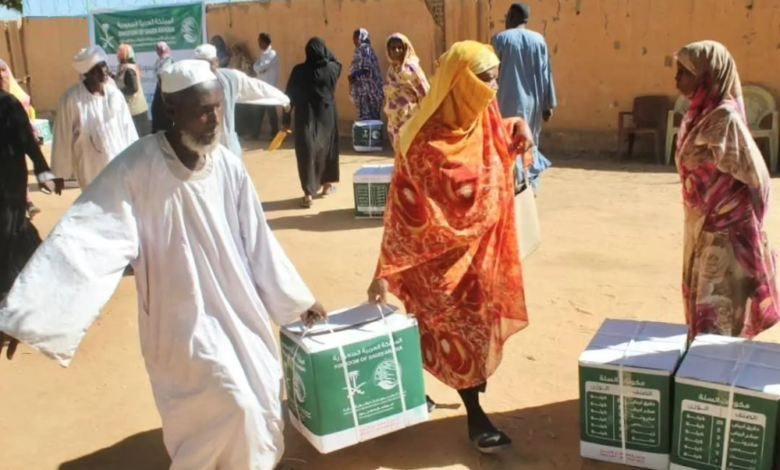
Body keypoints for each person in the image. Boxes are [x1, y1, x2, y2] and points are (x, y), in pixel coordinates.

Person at [0, 59, 328, 470]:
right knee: (232, 404)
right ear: (172, 109)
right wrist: (29, 312)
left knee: (261, 393)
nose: (213, 120)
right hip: (182, 322)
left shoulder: (227, 166)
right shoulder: (137, 169)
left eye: (218, 108)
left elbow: (259, 243)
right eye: (202, 111)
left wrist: (298, 301)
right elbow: (86, 238)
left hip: (240, 313)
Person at [365, 41, 532, 453]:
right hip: (435, 263)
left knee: (472, 332)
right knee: (451, 333)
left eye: (496, 78)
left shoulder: (483, 116)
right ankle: (476, 419)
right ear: (460, 83)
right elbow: (402, 212)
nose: (494, 88)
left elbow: (498, 132)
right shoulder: (419, 142)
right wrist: (385, 269)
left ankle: (439, 397)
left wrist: (518, 125)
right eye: (486, 79)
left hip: (480, 257)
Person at [673, 40, 780, 340]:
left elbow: (757, 177)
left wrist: (747, 225)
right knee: (703, 317)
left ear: (708, 74)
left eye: (685, 71)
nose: (677, 78)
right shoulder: (696, 116)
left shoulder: (724, 119)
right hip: (700, 227)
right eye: (677, 69)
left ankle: (714, 384)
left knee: (716, 321)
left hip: (726, 233)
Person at [0, 88, 64, 305]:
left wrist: (44, 171)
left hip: (9, 183)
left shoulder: (8, 103)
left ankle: (11, 299)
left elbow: (27, 141)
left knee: (9, 232)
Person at [51, 47, 138, 191]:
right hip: (90, 169)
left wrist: (136, 162)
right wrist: (60, 175)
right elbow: (62, 137)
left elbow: (128, 130)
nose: (102, 71)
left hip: (119, 165)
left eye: (103, 65)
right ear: (86, 73)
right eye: (96, 69)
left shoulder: (115, 95)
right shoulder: (71, 99)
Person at [492, 2, 556, 192]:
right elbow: (546, 74)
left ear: (511, 17)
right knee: (529, 143)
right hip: (533, 105)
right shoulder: (539, 40)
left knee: (506, 145)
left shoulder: (499, 40)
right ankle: (529, 187)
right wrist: (547, 104)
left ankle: (511, 188)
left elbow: (489, 72)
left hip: (505, 102)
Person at [194, 43, 290, 158]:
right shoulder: (188, 84)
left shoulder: (230, 78)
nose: (205, 69)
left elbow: (256, 87)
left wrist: (282, 98)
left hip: (227, 147)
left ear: (216, 61)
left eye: (208, 64)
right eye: (200, 65)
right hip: (202, 149)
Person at [282, 37, 342, 208]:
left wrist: (285, 122)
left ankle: (308, 193)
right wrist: (326, 53)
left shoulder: (298, 71)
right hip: (327, 117)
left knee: (306, 154)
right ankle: (327, 186)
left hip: (304, 118)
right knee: (327, 150)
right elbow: (336, 61)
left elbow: (288, 97)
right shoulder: (331, 69)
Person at [0, 59, 43, 218]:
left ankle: (27, 203)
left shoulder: (18, 99)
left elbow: (25, 124)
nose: (1, 75)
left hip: (13, 156)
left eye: (3, 70)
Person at [383, 33, 430, 150]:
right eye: (393, 48)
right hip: (395, 116)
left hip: (411, 115)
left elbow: (425, 91)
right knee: (399, 146)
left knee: (411, 146)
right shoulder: (391, 69)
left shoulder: (411, 68)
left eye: (400, 47)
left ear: (406, 49)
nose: (396, 51)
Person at [348, 28, 384, 121]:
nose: (354, 40)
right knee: (370, 119)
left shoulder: (364, 49)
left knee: (368, 119)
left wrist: (354, 75)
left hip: (368, 92)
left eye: (355, 37)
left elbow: (366, 69)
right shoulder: (364, 49)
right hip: (366, 91)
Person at [116, 43, 151, 137]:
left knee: (137, 138)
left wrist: (117, 91)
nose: (117, 55)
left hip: (135, 110)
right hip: (132, 108)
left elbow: (133, 88)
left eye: (120, 52)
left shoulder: (129, 69)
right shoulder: (124, 67)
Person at [253, 32, 280, 140]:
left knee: (271, 110)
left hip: (269, 85)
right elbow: (256, 66)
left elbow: (261, 67)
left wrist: (258, 68)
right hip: (261, 86)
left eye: (260, 42)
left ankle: (275, 134)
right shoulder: (263, 54)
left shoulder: (272, 54)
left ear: (265, 42)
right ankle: (255, 134)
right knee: (259, 110)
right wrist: (257, 67)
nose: (259, 44)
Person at [151, 41, 174, 134]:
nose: (158, 51)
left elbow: (164, 73)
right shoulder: (159, 60)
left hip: (167, 88)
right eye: (157, 49)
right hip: (160, 87)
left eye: (159, 49)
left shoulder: (168, 60)